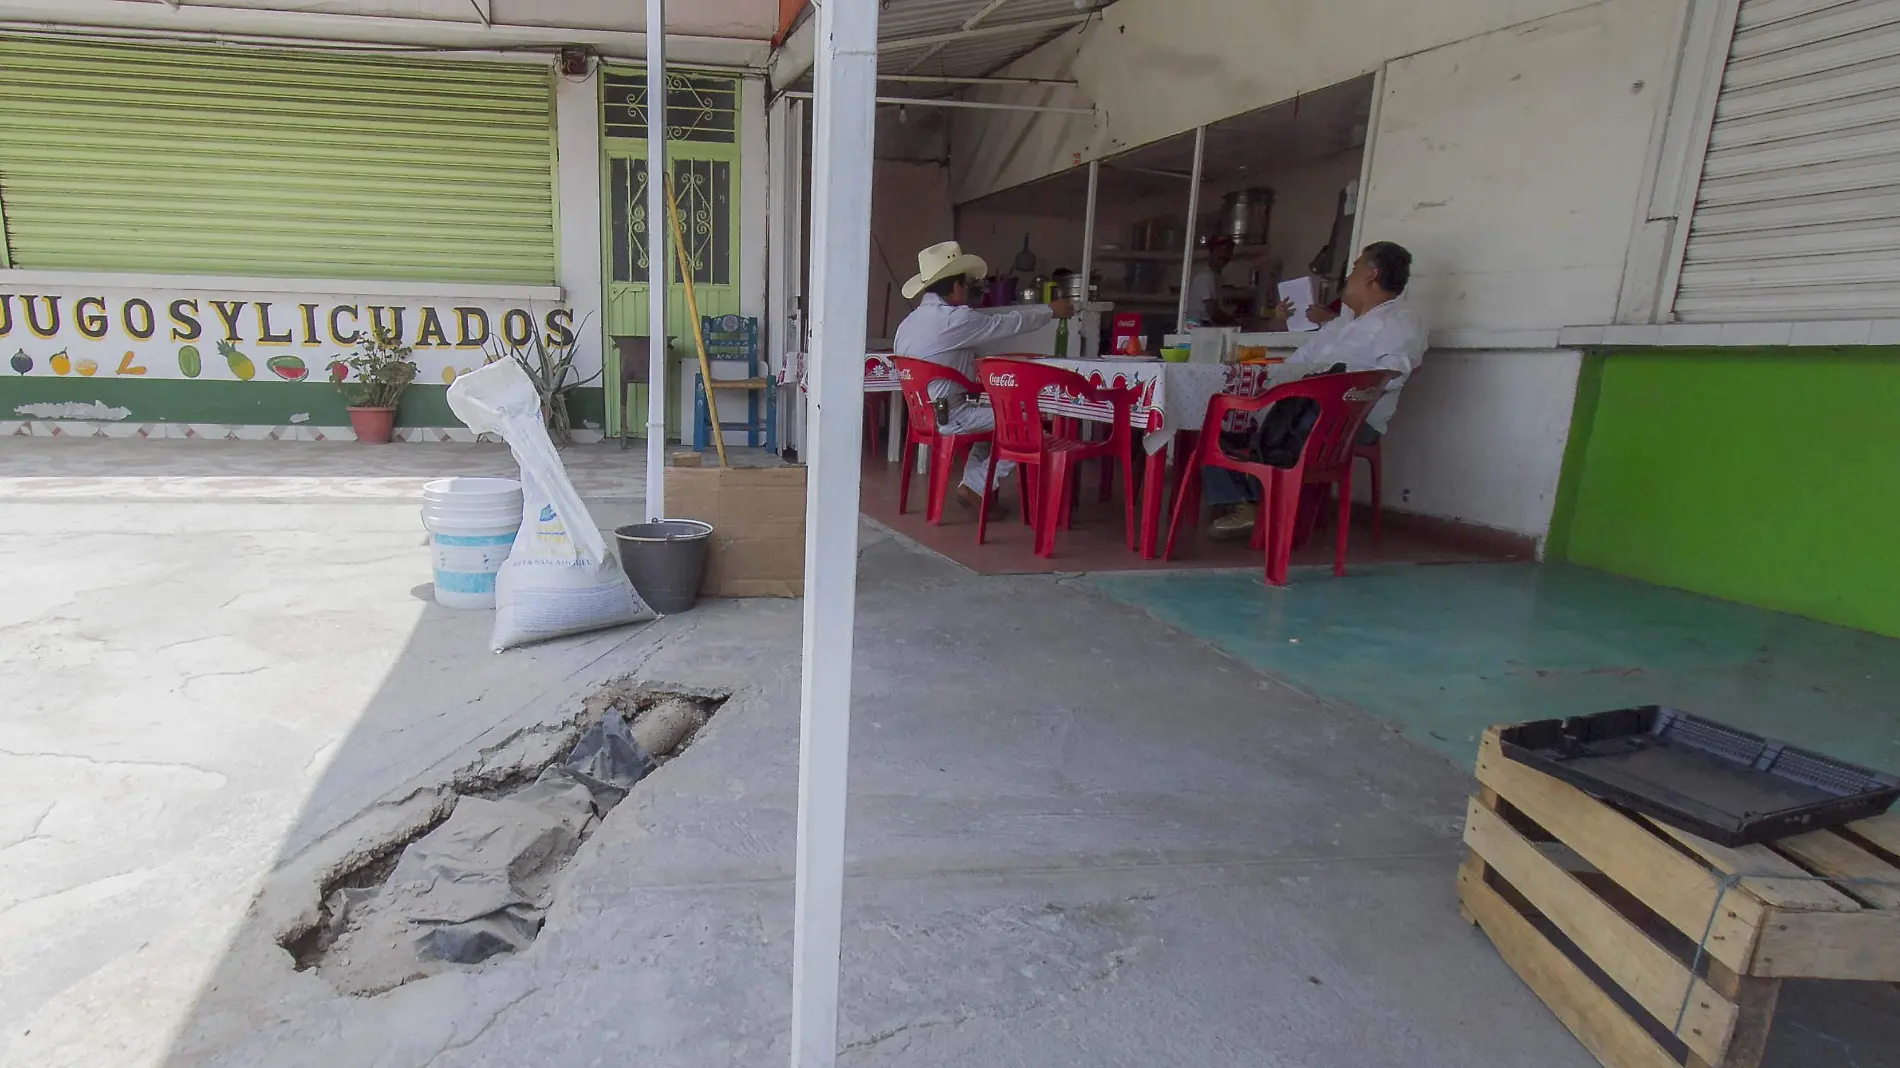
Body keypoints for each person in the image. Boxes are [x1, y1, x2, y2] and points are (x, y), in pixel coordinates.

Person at [1204, 240, 1427, 540]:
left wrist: (1333, 389)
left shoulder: (1400, 321)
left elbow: (1392, 375)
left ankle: (1261, 501)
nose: (1348, 277)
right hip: (1299, 409)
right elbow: (1297, 364)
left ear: (1371, 275)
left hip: (1346, 419)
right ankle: (1246, 502)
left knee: (1273, 427)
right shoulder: (1339, 326)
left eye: (1355, 268)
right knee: (1216, 423)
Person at [892, 241, 1075, 512]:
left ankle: (974, 486)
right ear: (954, 287)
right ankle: (976, 486)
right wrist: (1049, 311)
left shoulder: (907, 323)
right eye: (964, 285)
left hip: (923, 416)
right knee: (1025, 419)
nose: (967, 291)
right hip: (951, 416)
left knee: (992, 424)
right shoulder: (956, 320)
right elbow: (1007, 324)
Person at [1184, 237, 1239, 326]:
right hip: (1196, 328)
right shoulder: (1206, 276)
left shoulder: (1217, 277)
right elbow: (1212, 313)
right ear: (1211, 253)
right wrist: (1235, 324)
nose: (1224, 253)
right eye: (1220, 250)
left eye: (1228, 250)